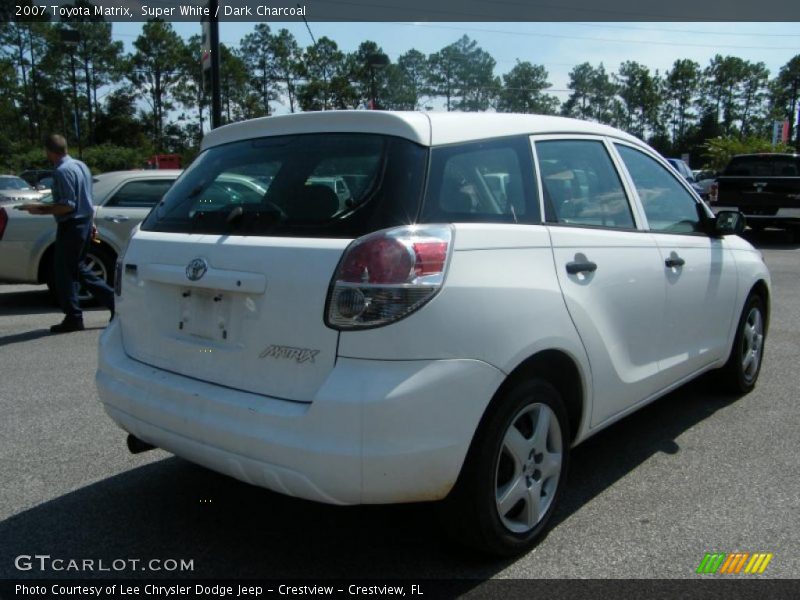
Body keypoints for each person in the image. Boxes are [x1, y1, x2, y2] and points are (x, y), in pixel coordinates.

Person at [19, 134, 114, 333]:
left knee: (64, 274)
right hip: (84, 223)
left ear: (49, 152)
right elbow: (86, 199)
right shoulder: (80, 166)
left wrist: (39, 209)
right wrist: (92, 224)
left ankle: (74, 317)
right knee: (78, 270)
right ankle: (115, 304)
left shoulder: (61, 171)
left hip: (72, 225)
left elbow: (67, 206)